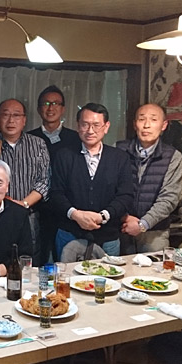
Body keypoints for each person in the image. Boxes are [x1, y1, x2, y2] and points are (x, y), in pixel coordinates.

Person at [50, 102, 133, 257]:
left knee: (108, 273)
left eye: (96, 125)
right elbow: (55, 193)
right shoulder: (64, 155)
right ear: (78, 126)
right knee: (66, 273)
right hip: (69, 233)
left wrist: (103, 216)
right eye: (85, 124)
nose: (90, 130)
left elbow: (125, 195)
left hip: (108, 237)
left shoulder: (120, 158)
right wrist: (76, 215)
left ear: (106, 127)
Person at [0, 99, 50, 265]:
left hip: (29, 214)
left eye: (16, 115)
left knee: (28, 260)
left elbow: (44, 180)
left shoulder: (38, 144)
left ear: (24, 120)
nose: (11, 120)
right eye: (6, 115)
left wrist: (23, 204)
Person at [116, 103, 182, 254]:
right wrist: (124, 217)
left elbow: (169, 198)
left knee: (155, 269)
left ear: (164, 125)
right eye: (142, 119)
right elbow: (108, 190)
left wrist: (143, 224)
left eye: (153, 120)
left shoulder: (173, 156)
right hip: (121, 227)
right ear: (135, 124)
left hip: (155, 232)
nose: (146, 125)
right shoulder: (118, 150)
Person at [28, 85, 82, 262]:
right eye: (46, 103)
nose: (50, 108)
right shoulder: (29, 138)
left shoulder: (76, 138)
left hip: (67, 208)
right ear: (39, 109)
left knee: (65, 259)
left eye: (56, 103)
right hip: (37, 208)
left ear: (63, 109)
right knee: (39, 257)